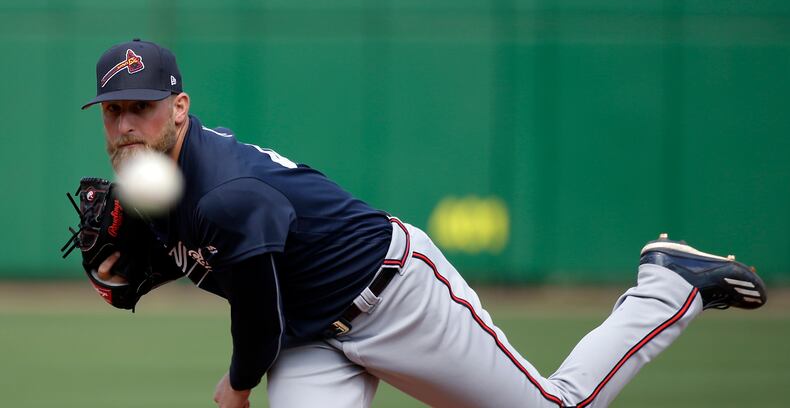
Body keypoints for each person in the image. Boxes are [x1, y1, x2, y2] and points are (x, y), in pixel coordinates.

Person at [81, 39, 767, 408]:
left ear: (180, 108)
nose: (127, 123)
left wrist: (236, 385)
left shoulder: (228, 187)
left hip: (395, 294)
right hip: (311, 333)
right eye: (115, 111)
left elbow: (256, 317)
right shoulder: (156, 189)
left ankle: (666, 286)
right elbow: (226, 258)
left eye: (142, 105)